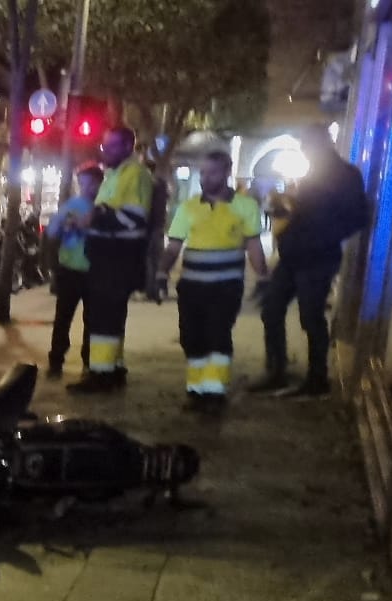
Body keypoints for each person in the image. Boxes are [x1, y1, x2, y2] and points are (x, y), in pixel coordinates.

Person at [255, 126, 369, 397]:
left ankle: (317, 379)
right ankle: (277, 371)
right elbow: (305, 213)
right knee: (271, 308)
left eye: (306, 145)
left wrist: (324, 236)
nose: (304, 150)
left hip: (318, 258)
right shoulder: (311, 175)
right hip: (294, 255)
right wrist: (285, 210)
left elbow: (358, 217)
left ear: (322, 145)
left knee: (311, 317)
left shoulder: (346, 175)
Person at [157, 150, 267, 415]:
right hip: (192, 286)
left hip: (225, 287)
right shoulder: (188, 207)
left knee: (217, 336)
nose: (206, 178)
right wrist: (161, 274)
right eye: (203, 173)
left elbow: (253, 245)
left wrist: (263, 277)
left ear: (227, 172)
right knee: (191, 338)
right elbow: (173, 247)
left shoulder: (245, 206)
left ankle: (215, 394)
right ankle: (196, 391)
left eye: (213, 173)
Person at [69, 126, 153, 393]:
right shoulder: (115, 174)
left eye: (112, 146)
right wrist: (87, 222)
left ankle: (101, 375)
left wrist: (96, 217)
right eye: (105, 145)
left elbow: (134, 219)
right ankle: (113, 368)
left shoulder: (135, 174)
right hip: (108, 259)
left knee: (103, 319)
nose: (105, 150)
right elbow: (108, 211)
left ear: (128, 146)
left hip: (117, 260)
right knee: (110, 318)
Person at [47, 164, 104, 378]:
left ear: (100, 183)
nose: (87, 187)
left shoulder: (104, 207)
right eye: (83, 183)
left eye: (91, 183)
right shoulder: (71, 206)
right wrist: (65, 226)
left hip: (96, 271)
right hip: (70, 270)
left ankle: (89, 363)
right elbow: (52, 231)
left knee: (93, 320)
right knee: (63, 318)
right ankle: (56, 360)